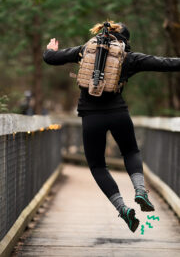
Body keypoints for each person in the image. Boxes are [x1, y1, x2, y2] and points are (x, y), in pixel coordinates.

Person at [43, 21, 180, 233]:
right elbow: (166, 63)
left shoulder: (84, 50)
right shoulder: (130, 57)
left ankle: (123, 209)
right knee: (131, 151)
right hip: (118, 113)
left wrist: (50, 49)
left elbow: (50, 59)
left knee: (98, 166)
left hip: (90, 117)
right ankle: (140, 191)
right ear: (125, 40)